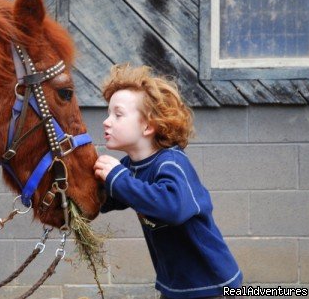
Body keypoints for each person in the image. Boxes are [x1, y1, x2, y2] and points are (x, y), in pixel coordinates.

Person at [94, 64, 242, 299]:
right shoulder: (131, 166)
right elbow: (105, 198)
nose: (106, 121)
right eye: (108, 113)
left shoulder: (172, 163)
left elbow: (171, 208)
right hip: (175, 287)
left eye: (118, 114)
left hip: (213, 287)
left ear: (148, 126)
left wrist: (117, 178)